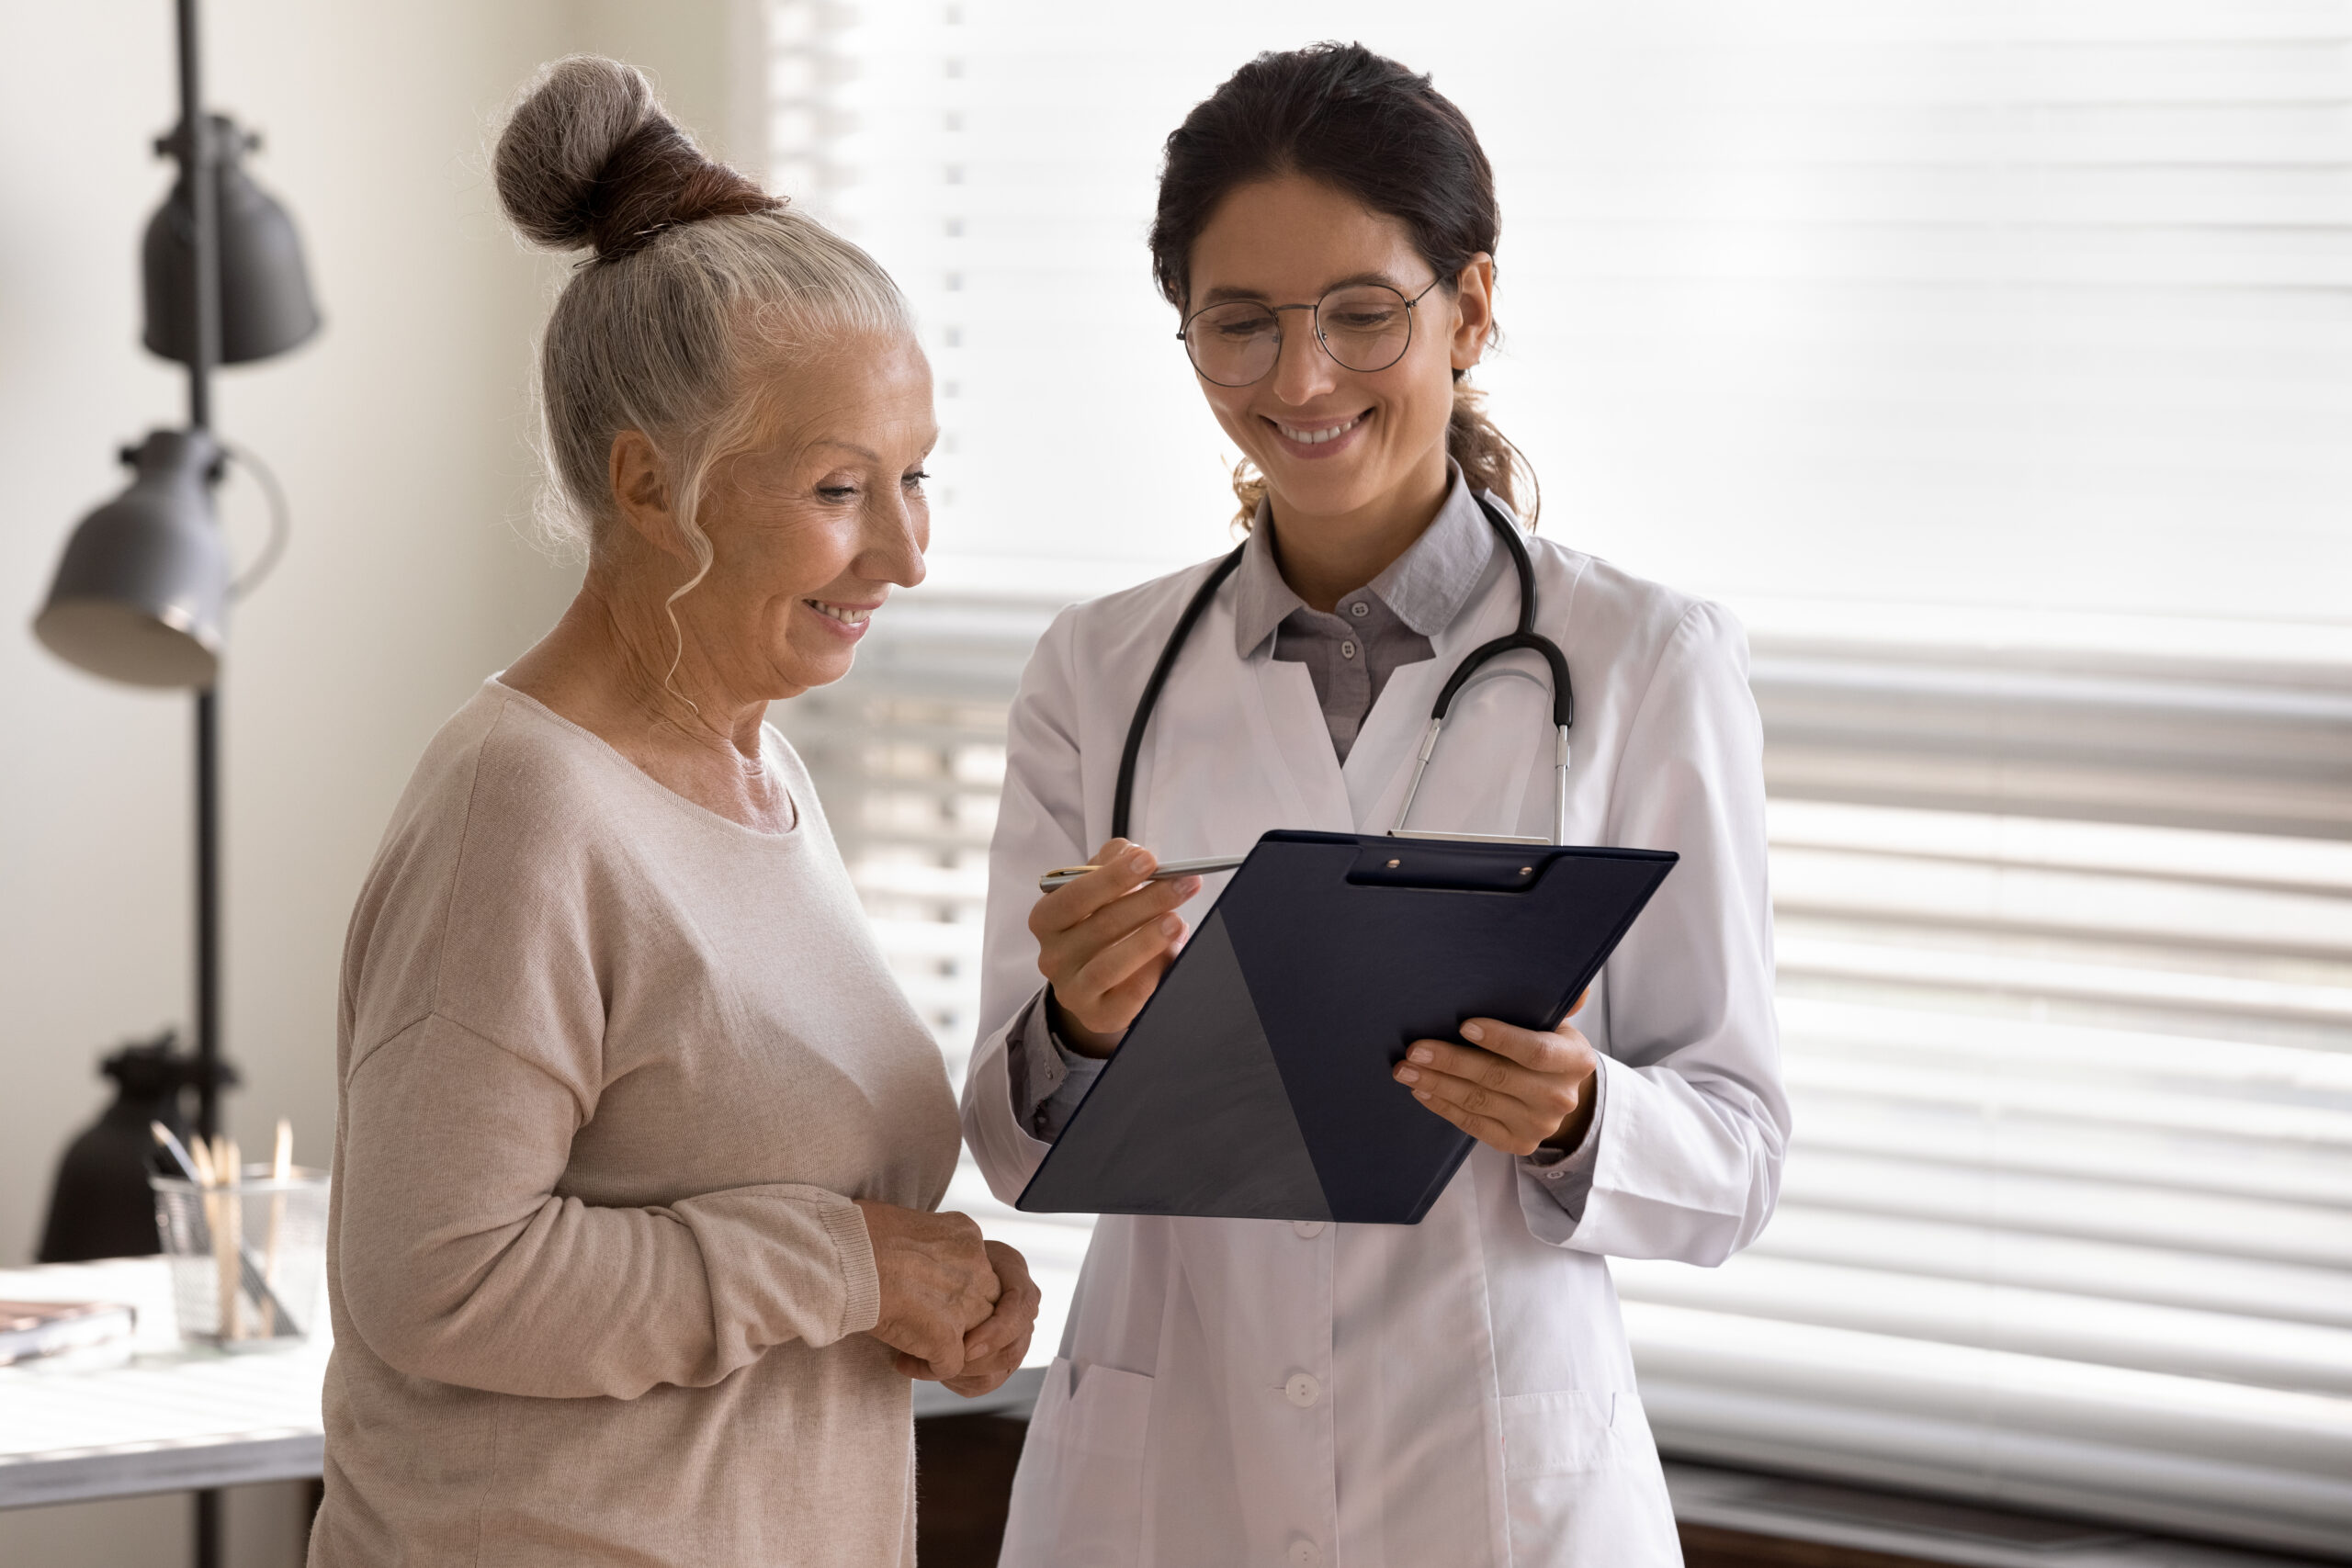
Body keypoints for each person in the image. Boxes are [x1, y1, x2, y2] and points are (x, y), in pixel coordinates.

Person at [960, 42, 1789, 1566]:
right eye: (1240, 326)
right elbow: (1014, 1152)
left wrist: (1579, 1116)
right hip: (1167, 1476)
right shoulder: (1101, 669)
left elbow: (1735, 1153)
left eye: (1361, 314)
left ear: (1469, 308)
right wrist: (1074, 1027)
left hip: (1489, 1477)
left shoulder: (1648, 663)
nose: (1301, 379)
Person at [311, 57, 1037, 1568]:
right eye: (843, 490)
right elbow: (438, 1282)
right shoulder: (520, 807)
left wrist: (926, 1299)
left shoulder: (764, 777)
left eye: (916, 478)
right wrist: (847, 1271)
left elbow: (761, 1232)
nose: (904, 554)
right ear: (651, 485)